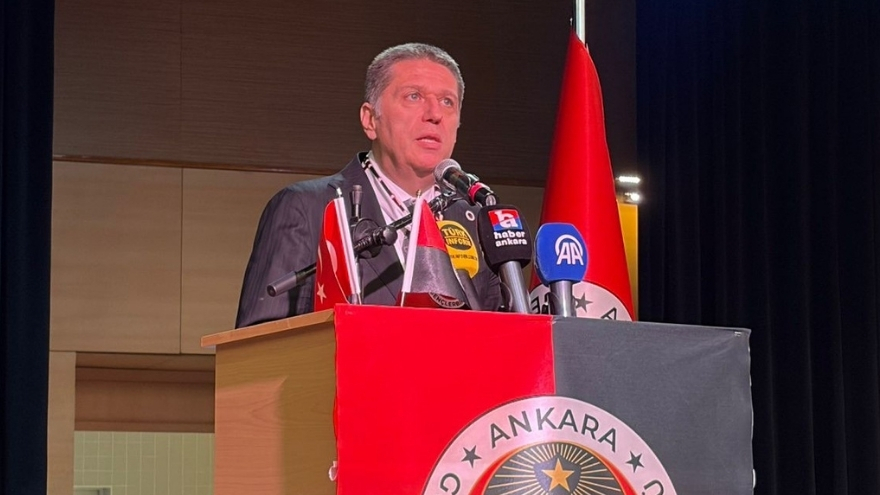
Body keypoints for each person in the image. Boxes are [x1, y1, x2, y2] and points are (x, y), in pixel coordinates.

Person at [235, 43, 502, 328]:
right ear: (370, 119)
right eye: (414, 96)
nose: (434, 114)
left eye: (447, 102)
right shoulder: (306, 208)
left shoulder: (476, 220)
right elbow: (259, 343)